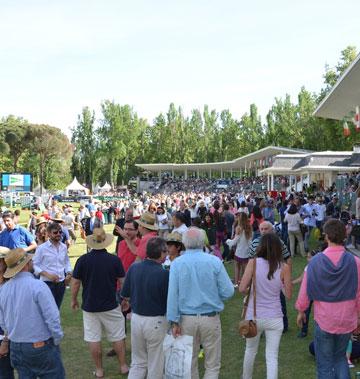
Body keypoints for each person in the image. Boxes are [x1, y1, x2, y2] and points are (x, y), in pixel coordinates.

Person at [296, 219, 360, 379]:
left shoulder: (315, 262)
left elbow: (305, 289)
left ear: (326, 237)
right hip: (347, 318)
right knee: (340, 359)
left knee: (324, 364)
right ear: (345, 236)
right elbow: (358, 292)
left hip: (324, 319)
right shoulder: (355, 262)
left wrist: (301, 310)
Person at [167, 227, 234, 378]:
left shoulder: (177, 264)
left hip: (186, 319)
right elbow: (228, 291)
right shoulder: (214, 261)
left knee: (189, 363)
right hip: (209, 318)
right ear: (202, 242)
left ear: (184, 243)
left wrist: (173, 321)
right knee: (212, 363)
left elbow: (172, 295)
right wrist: (214, 296)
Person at [71, 227, 129, 378]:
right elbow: (123, 282)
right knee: (117, 336)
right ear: (105, 242)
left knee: (93, 338)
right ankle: (123, 366)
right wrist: (125, 299)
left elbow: (75, 283)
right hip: (111, 304)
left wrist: (73, 299)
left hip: (90, 306)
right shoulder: (114, 260)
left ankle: (99, 370)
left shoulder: (83, 260)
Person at [0, 248, 65, 378]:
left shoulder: (4, 289)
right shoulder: (38, 286)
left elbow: (3, 322)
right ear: (26, 264)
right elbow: (52, 318)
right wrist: (56, 339)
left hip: (17, 346)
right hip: (39, 344)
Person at [240, 233, 292, 379]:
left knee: (250, 350)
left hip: (254, 316)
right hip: (275, 317)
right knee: (272, 356)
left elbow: (242, 288)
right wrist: (278, 283)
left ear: (261, 246)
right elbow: (288, 295)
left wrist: (252, 282)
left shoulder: (253, 263)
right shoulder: (284, 267)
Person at [121, 237, 169, 379]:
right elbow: (169, 301)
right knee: (155, 363)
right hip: (155, 321)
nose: (166, 254)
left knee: (138, 362)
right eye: (165, 251)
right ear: (160, 253)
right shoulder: (164, 274)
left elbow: (125, 295)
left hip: (137, 319)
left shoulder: (134, 267)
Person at [33, 222, 72, 309]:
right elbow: (34, 265)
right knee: (48, 309)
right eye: (55, 232)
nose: (58, 234)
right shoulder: (41, 248)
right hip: (47, 284)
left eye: (60, 232)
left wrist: (69, 273)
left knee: (57, 308)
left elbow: (66, 262)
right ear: (49, 234)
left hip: (61, 283)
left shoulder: (63, 247)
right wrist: (48, 275)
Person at [226, 212, 252, 286]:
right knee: (244, 269)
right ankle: (243, 282)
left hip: (239, 252)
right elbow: (250, 241)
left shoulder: (239, 228)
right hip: (247, 252)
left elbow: (234, 242)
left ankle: (236, 283)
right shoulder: (249, 227)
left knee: (237, 267)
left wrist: (227, 241)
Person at [0, 247, 14, 379]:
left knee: (5, 372)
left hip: (5, 337)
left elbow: (11, 317)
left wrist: (5, 341)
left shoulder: (10, 286)